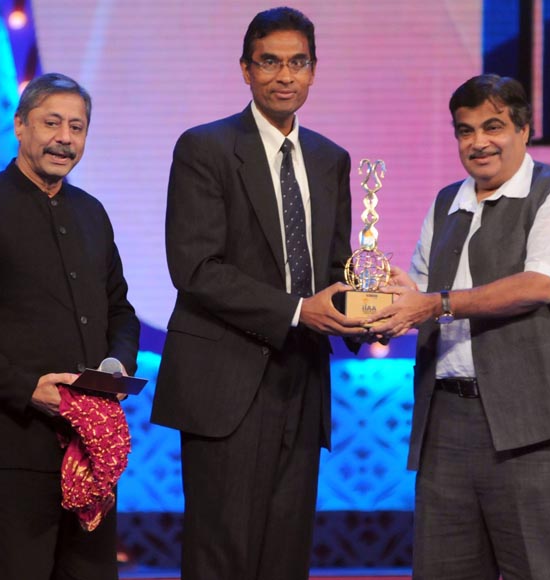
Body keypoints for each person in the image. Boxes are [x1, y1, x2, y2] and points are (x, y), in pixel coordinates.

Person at [367, 74, 550, 580]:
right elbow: (418, 295)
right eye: (465, 131)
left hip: (536, 423)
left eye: (494, 127)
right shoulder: (446, 203)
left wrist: (433, 304)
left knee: (538, 570)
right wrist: (380, 311)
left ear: (524, 130)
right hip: (446, 421)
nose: (479, 142)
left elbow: (539, 285)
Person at [150, 7, 367, 580]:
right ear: (245, 70)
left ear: (314, 71)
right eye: (269, 62)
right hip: (227, 379)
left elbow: (334, 265)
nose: (284, 76)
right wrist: (299, 309)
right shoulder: (205, 148)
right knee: (223, 554)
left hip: (302, 377)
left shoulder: (330, 159)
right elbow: (195, 267)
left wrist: (368, 305)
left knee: (285, 553)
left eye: (298, 63)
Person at [0, 73, 140, 580]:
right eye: (51, 123)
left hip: (90, 450)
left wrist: (114, 367)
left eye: (77, 127)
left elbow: (122, 312)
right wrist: (28, 389)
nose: (65, 138)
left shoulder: (92, 214)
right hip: (10, 449)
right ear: (20, 127)